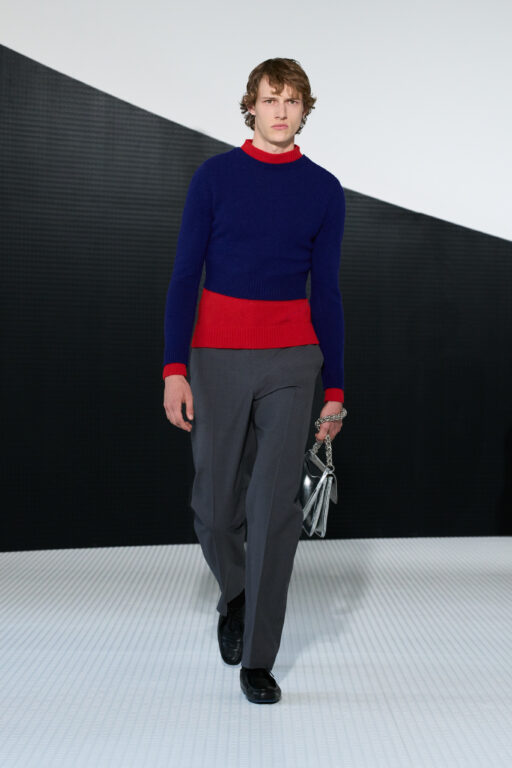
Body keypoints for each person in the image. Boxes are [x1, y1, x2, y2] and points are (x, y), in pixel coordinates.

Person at [162, 57, 346, 704]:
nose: (281, 110)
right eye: (271, 98)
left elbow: (327, 292)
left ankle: (258, 660)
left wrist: (335, 389)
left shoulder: (324, 190)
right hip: (216, 356)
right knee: (214, 510)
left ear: (304, 110)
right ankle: (237, 594)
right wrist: (174, 368)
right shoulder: (214, 178)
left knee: (273, 509)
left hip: (293, 359)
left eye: (293, 100)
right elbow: (185, 275)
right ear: (251, 106)